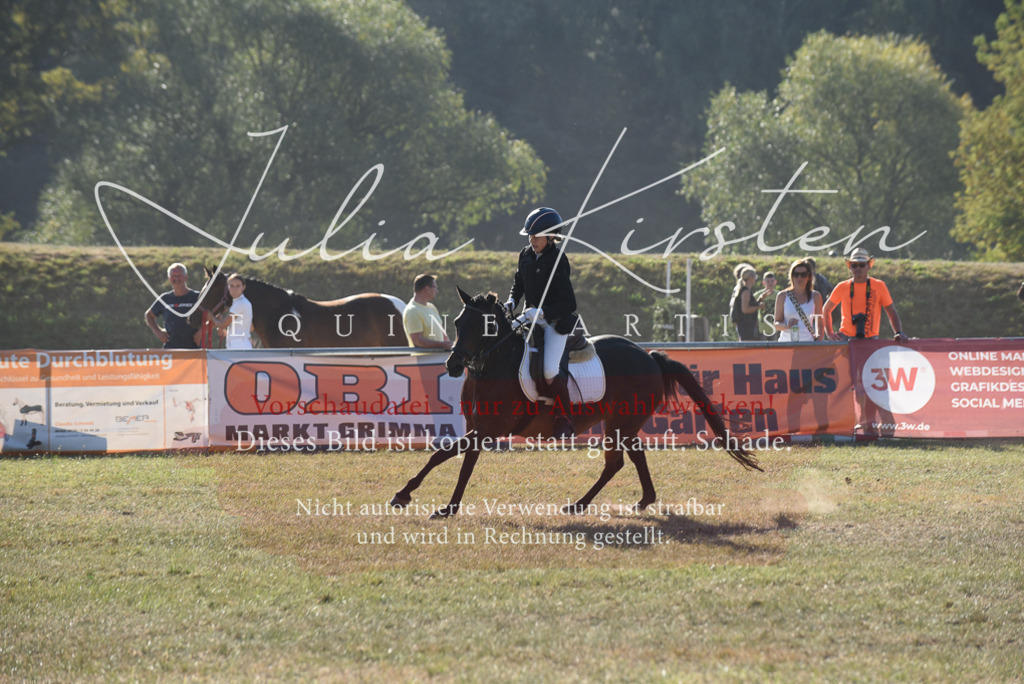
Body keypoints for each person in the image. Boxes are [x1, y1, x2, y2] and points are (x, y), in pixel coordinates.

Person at [506, 207, 579, 439]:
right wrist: (511, 301)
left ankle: (564, 418)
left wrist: (544, 313)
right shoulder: (525, 255)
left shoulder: (558, 259)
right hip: (530, 319)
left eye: (536, 235)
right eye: (530, 235)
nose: (532, 240)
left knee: (549, 371)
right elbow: (519, 283)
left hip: (556, 323)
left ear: (550, 236)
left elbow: (569, 302)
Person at [823, 248, 907, 342]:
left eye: (862, 265)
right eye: (854, 265)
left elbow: (891, 312)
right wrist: (830, 333)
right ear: (849, 267)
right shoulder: (842, 287)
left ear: (869, 266)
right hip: (846, 338)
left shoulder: (879, 286)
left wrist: (899, 332)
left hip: (871, 339)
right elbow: (826, 309)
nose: (858, 268)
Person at [144, 263, 201, 349]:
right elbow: (149, 315)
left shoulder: (198, 297)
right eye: (173, 275)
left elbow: (215, 315)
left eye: (179, 275)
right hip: (170, 349)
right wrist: (158, 332)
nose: (176, 278)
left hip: (194, 349)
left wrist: (202, 331)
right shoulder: (165, 298)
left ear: (186, 277)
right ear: (169, 278)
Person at [773, 259, 823, 342]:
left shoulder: (816, 296)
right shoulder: (782, 296)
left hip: (807, 345)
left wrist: (818, 341)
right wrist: (787, 325)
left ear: (809, 276)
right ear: (791, 276)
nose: (799, 277)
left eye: (803, 274)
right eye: (796, 274)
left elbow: (820, 324)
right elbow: (776, 324)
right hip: (786, 344)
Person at [403, 274, 452, 350]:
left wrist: (448, 345)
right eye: (435, 287)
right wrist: (442, 345)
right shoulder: (412, 311)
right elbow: (417, 341)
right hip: (425, 361)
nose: (437, 291)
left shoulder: (432, 307)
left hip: (440, 358)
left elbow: (443, 333)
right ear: (427, 289)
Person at [209, 273, 254, 349]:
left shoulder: (240, 303)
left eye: (238, 286)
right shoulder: (241, 302)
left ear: (243, 287)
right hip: (240, 345)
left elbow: (223, 324)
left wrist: (211, 317)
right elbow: (251, 328)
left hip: (238, 346)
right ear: (228, 287)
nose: (234, 289)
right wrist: (228, 333)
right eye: (232, 286)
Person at [728, 263, 760, 341]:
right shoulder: (745, 291)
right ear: (751, 278)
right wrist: (759, 306)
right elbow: (745, 309)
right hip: (746, 325)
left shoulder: (740, 290)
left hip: (744, 324)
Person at [754, 271, 778, 340]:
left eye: (772, 281)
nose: (770, 283)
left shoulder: (779, 295)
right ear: (764, 283)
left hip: (774, 328)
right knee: (762, 349)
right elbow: (751, 307)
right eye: (768, 281)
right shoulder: (758, 295)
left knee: (773, 349)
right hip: (762, 328)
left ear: (775, 282)